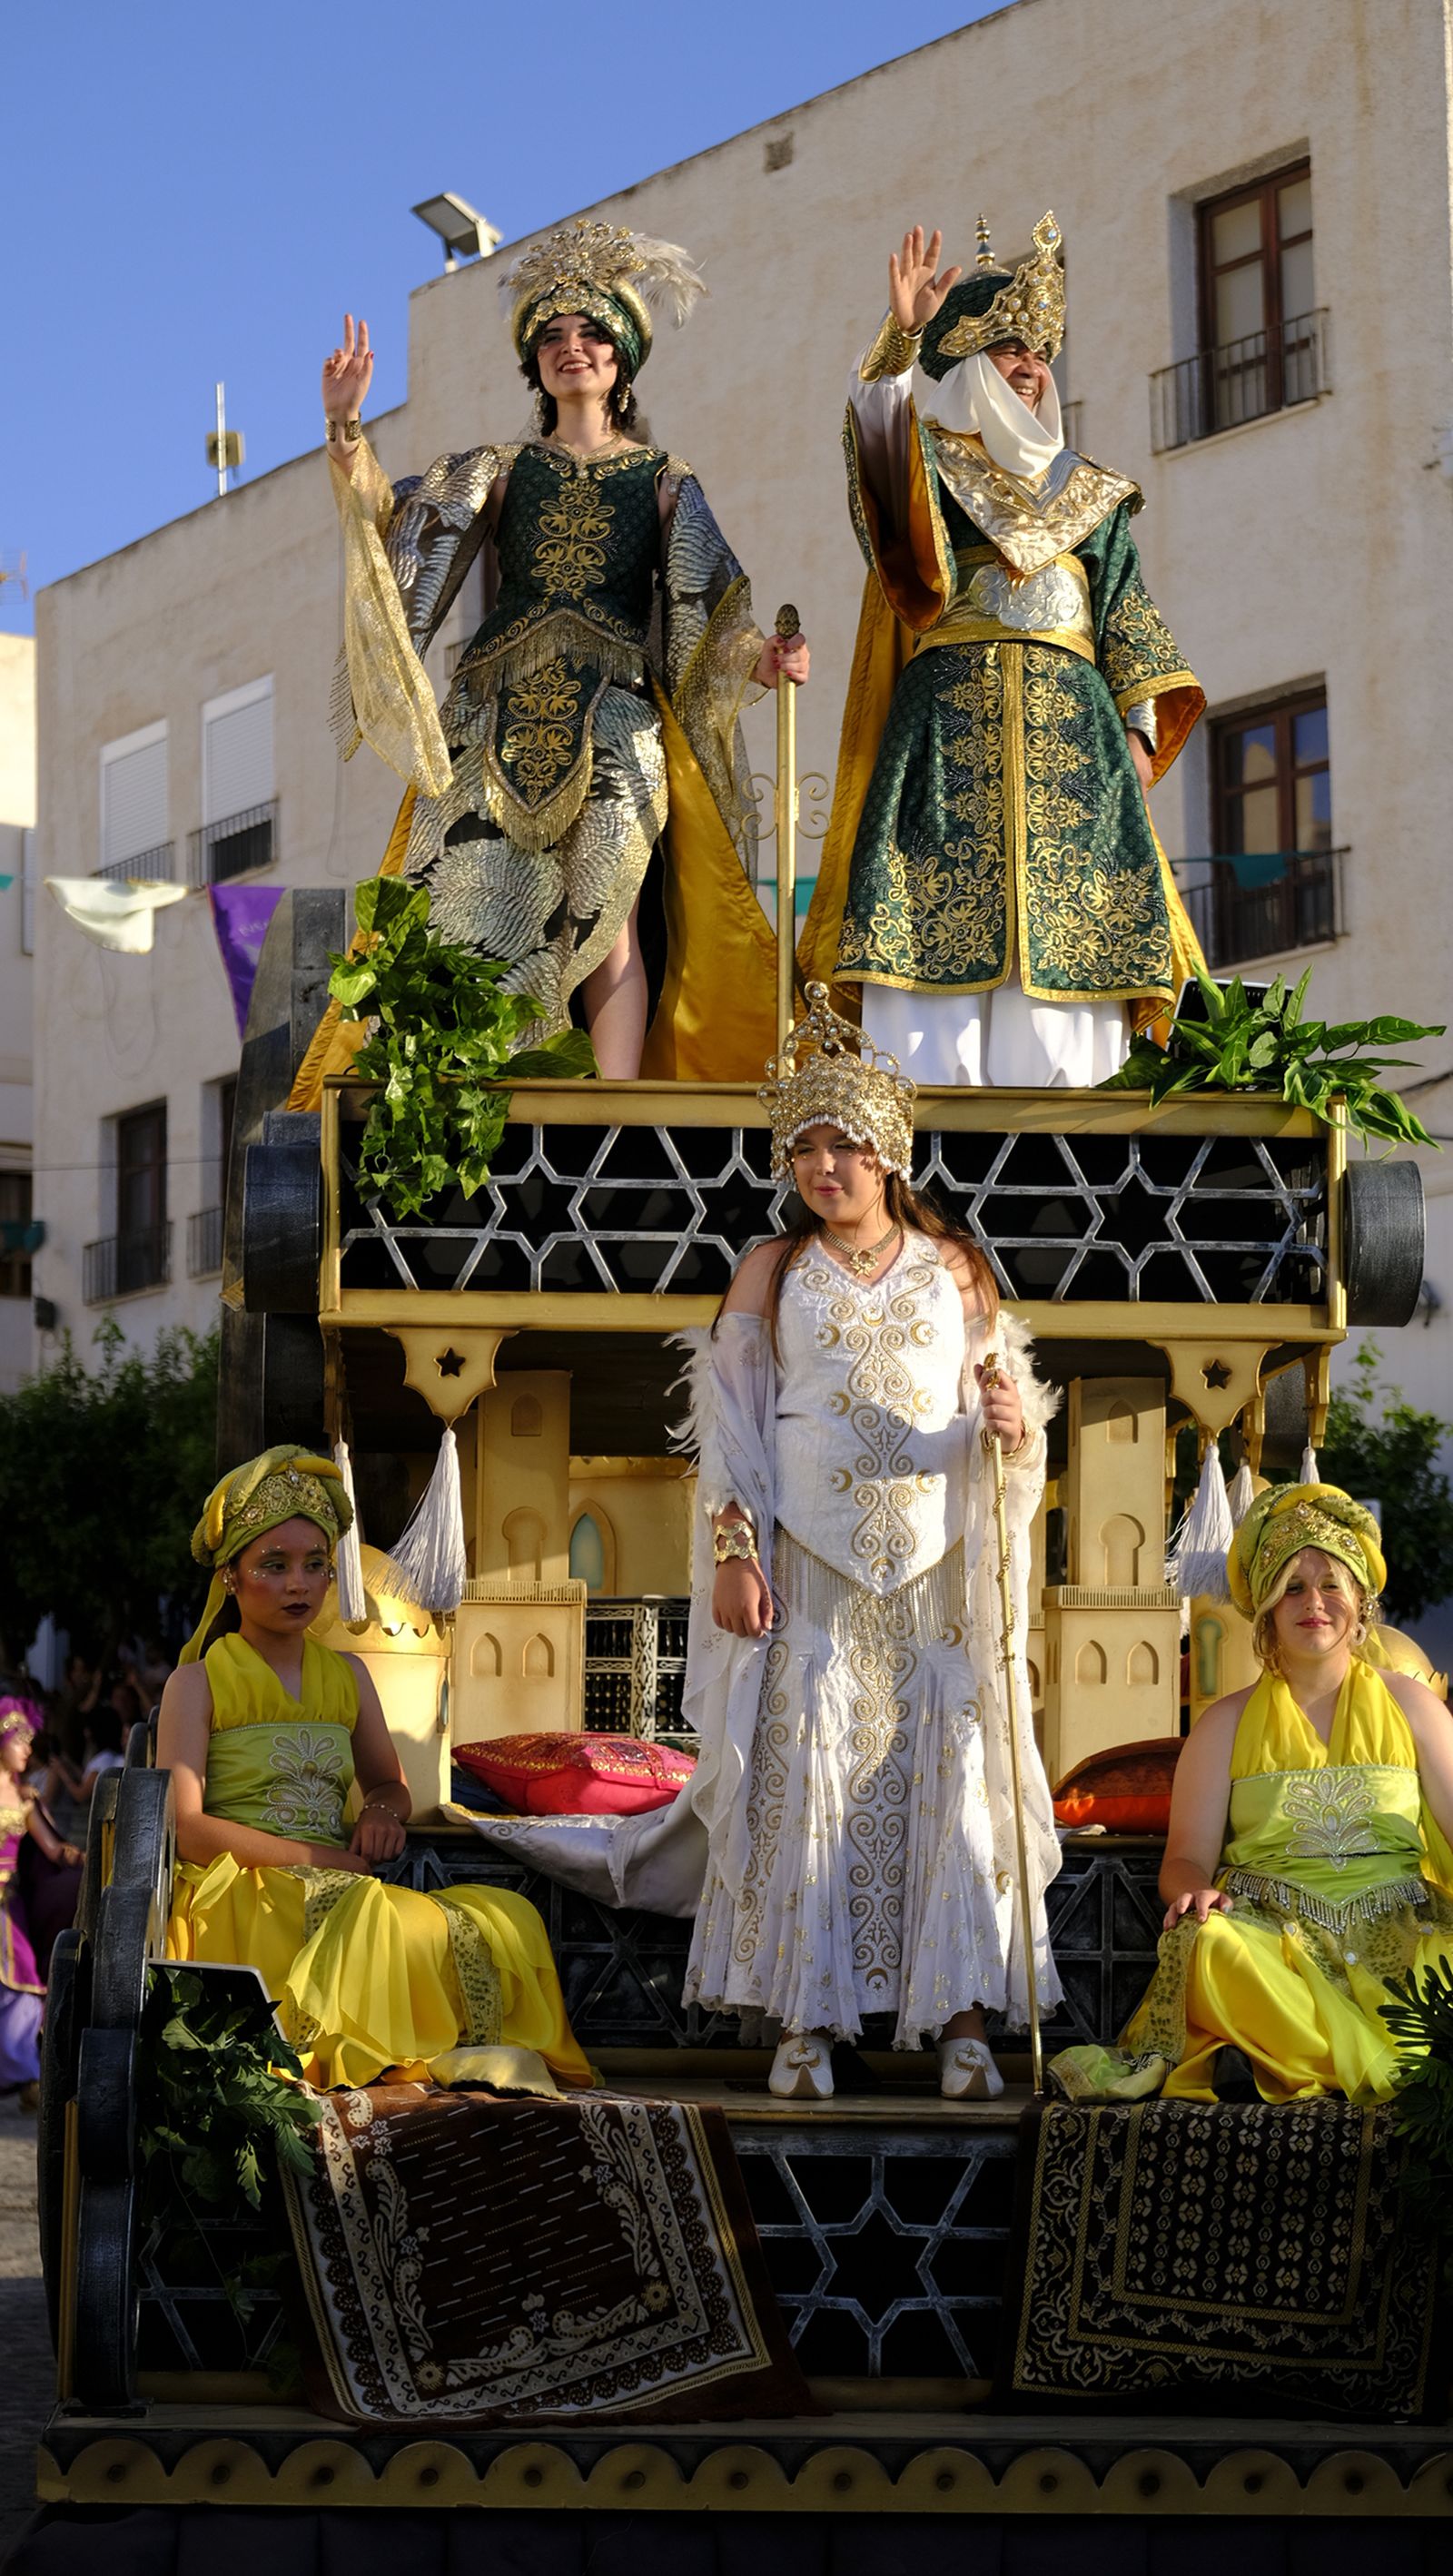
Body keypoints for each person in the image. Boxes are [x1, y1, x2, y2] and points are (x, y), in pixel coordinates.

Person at [302, 217, 807, 1089]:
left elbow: (709, 604)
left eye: (592, 334)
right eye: (553, 336)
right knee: (467, 901)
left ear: (622, 359)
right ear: (535, 363)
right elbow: (401, 536)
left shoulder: (664, 480)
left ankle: (614, 1115)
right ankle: (474, 1090)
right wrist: (348, 433)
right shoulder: (497, 470)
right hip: (494, 709)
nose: (572, 348)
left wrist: (758, 658)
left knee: (607, 918)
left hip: (614, 713)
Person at [676, 984, 1061, 2100]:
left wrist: (1011, 1429)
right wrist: (734, 1552)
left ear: (889, 1152)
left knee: (953, 1779)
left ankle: (963, 2024)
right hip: (814, 1571)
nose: (822, 1165)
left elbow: (1007, 1406)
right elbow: (732, 1428)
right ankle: (807, 2024)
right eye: (804, 1147)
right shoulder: (771, 1270)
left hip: (937, 1571)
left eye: (844, 1144)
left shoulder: (957, 1268)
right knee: (812, 1775)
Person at [800, 216, 1206, 1089]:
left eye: (1041, 353)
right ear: (970, 365)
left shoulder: (1090, 493)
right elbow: (877, 456)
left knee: (1070, 1018)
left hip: (1076, 761)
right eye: (1010, 350)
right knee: (928, 1002)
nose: (1032, 368)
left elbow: (1127, 612)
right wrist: (904, 339)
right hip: (943, 749)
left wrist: (1136, 734)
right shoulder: (933, 470)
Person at [157, 1446, 591, 2091]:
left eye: (314, 1566)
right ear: (231, 1575)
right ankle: (388, 2055)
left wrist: (383, 1811)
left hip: (333, 1884)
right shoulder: (196, 1682)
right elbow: (186, 1826)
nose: (299, 1584)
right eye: (273, 1566)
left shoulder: (347, 1674)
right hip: (241, 1889)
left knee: (504, 1918)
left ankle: (442, 2057)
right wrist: (318, 1857)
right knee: (383, 1921)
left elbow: (389, 1782)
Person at [1053, 1484, 1453, 2103]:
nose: (1313, 1602)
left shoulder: (1414, 1705)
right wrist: (1194, 1893)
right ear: (1266, 1607)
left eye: (1330, 1585)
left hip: (1401, 1938)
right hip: (1275, 1941)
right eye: (1292, 1586)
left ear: (1360, 1600)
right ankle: (1284, 2052)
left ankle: (1278, 2056)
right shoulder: (1224, 1725)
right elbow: (1185, 1857)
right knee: (1207, 1945)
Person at [0, 1703, 44, 2101]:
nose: (27, 1750)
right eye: (20, 1741)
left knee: (25, 1976)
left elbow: (53, 1847)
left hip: (10, 1904)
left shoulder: (26, 1796)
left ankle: (24, 2070)